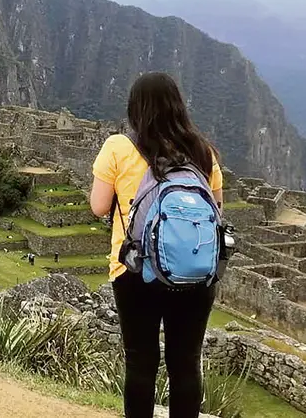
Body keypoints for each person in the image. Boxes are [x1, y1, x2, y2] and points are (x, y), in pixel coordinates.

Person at [89, 72, 224, 418]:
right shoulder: (203, 153)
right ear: (179, 107)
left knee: (140, 361)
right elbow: (216, 210)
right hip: (194, 271)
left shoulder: (118, 147)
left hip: (135, 270)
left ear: (135, 109)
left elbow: (99, 206)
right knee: (186, 363)